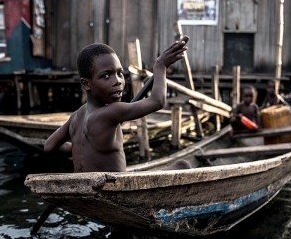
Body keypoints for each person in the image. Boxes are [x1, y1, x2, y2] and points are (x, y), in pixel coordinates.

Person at [44, 40, 189, 172]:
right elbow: (157, 101)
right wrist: (160, 66)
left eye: (120, 73)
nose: (118, 81)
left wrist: (79, 148)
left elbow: (49, 146)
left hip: (84, 188)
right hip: (113, 189)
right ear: (86, 84)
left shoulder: (76, 116)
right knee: (183, 166)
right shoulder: (112, 112)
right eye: (106, 76)